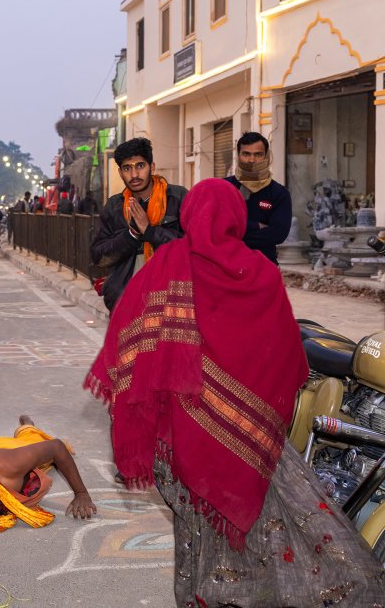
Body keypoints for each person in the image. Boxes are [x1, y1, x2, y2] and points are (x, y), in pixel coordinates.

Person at [85, 179, 383, 606]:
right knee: (265, 531)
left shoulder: (168, 262)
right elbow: (287, 361)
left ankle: (209, 597)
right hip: (245, 436)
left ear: (189, 217)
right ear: (236, 218)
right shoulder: (258, 271)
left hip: (178, 441)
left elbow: (130, 344)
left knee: (198, 534)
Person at [90, 137, 187, 312]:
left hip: (170, 298)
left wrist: (150, 232)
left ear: (152, 167)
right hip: (126, 301)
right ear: (120, 173)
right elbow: (99, 257)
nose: (134, 175)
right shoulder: (115, 206)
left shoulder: (177, 198)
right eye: (127, 168)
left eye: (140, 166)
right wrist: (132, 234)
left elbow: (190, 247)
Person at [224, 131, 291, 264]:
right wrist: (255, 226)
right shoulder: (223, 187)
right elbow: (214, 226)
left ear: (266, 156)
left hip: (264, 264)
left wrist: (231, 236)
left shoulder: (279, 193)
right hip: (226, 265)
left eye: (258, 154)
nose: (252, 160)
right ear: (238, 156)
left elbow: (278, 234)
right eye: (246, 154)